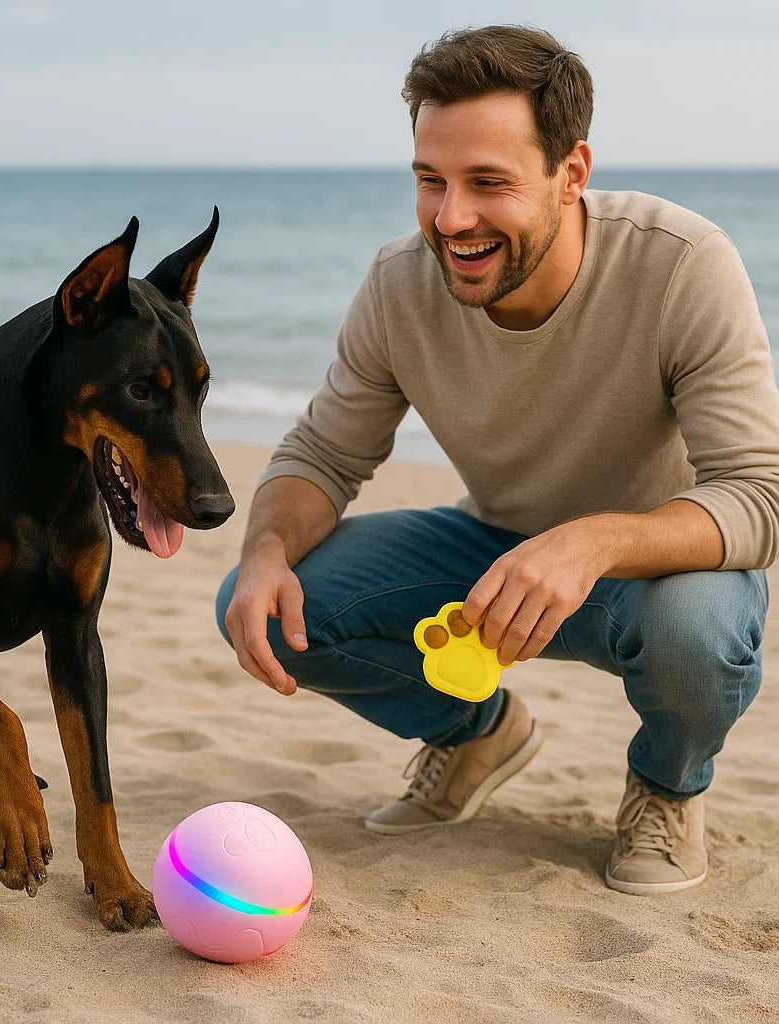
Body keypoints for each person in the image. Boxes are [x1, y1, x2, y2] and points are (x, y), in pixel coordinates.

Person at [216, 24, 779, 895]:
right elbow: (323, 454)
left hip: (657, 574)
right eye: (430, 181)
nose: (451, 219)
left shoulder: (683, 267)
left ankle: (668, 785)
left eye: (488, 184)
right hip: (485, 556)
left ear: (572, 173)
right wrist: (262, 552)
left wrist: (589, 544)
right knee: (269, 601)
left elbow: (759, 495)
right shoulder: (399, 284)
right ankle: (477, 734)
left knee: (698, 632)